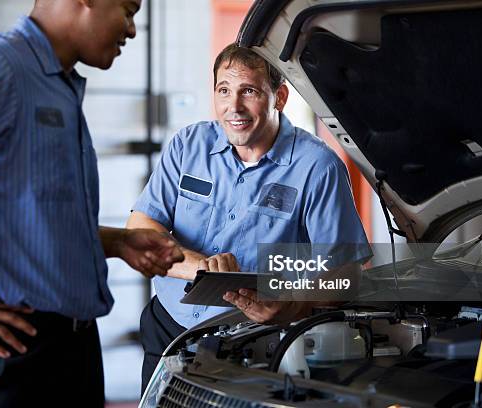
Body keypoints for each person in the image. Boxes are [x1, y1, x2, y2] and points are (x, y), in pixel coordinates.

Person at [0, 0, 184, 406]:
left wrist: (118, 243)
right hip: (3, 350)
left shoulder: (57, 85)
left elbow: (31, 218)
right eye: (128, 10)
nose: (132, 30)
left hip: (68, 346)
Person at [127, 43, 372, 392]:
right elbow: (139, 230)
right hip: (169, 328)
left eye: (249, 91)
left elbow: (345, 275)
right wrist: (201, 266)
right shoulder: (187, 146)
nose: (234, 107)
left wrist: (291, 304)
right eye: (223, 91)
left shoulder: (317, 167)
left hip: (255, 342)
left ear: (280, 97)